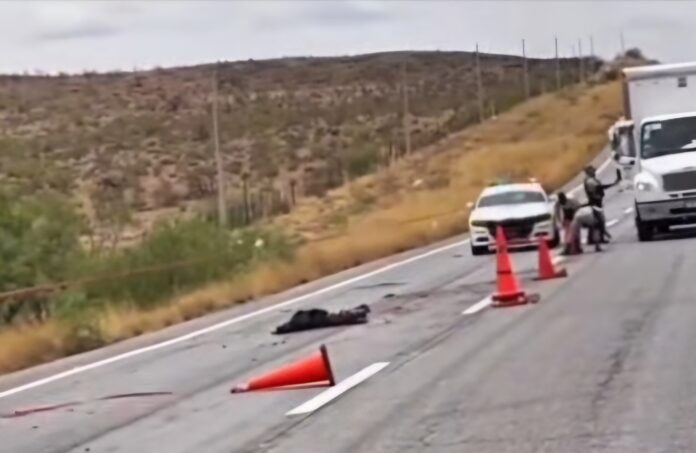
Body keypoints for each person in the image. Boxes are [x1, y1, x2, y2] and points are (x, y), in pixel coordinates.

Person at [583, 165, 622, 244]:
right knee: (600, 220)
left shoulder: (590, 179)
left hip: (595, 201)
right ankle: (600, 238)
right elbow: (599, 187)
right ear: (589, 172)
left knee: (595, 220)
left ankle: (591, 238)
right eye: (593, 171)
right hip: (595, 202)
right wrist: (613, 184)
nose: (595, 172)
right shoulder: (590, 181)